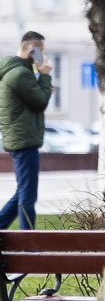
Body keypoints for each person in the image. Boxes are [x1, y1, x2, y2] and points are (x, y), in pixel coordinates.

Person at [0, 32, 53, 230]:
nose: (42, 56)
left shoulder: (17, 71)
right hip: (24, 140)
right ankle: (28, 242)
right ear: (31, 47)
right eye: (41, 51)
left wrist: (43, 85)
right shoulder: (20, 74)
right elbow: (40, 102)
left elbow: (35, 97)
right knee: (28, 195)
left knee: (23, 191)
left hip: (20, 138)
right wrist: (45, 75)